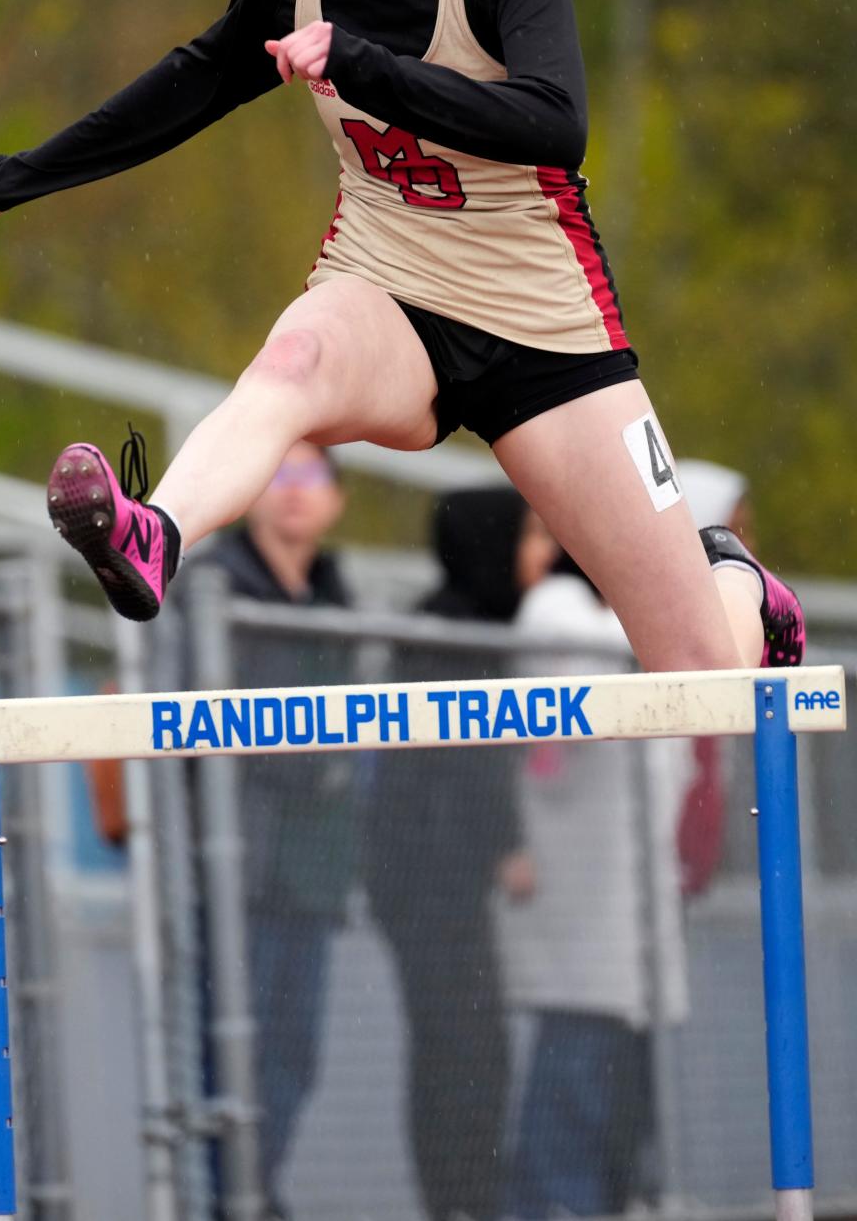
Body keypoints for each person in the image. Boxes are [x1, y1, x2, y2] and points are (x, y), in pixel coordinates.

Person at [0, 0, 805, 695]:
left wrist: (366, 66)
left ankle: (733, 582)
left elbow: (554, 127)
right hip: (388, 287)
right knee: (291, 360)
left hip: (545, 328)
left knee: (699, 677)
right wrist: (11, 179)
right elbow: (185, 88)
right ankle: (155, 534)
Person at [364, 486, 544, 1221]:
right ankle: (461, 1200)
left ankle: (465, 1197)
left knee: (462, 1049)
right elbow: (466, 754)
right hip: (427, 882)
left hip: (437, 880)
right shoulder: (449, 632)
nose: (543, 553)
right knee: (462, 1051)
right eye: (529, 536)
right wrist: (505, 844)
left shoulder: (471, 623)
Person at [500, 546, 688, 1219]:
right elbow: (585, 702)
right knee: (570, 1095)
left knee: (624, 1110)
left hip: (636, 917)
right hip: (580, 906)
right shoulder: (558, 608)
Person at [200, 440, 355, 1221]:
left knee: (296, 1060)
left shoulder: (336, 598)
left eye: (311, 475)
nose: (294, 492)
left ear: (336, 499)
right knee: (233, 1063)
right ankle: (236, 1199)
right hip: (240, 878)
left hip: (312, 879)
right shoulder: (214, 591)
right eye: (279, 473)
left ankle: (255, 1195)